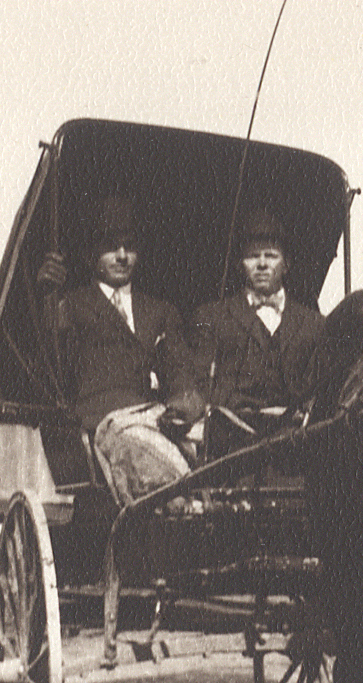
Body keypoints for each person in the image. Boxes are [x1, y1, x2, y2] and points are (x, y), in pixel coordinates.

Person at [36, 197, 205, 505]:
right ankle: (177, 501)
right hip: (100, 421)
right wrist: (49, 297)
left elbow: (178, 366)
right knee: (143, 451)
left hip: (155, 419)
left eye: (130, 247)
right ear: (90, 255)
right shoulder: (71, 305)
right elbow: (51, 362)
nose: (122, 256)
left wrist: (184, 404)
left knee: (204, 450)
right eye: (111, 247)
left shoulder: (159, 311)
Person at [189, 209, 325, 454]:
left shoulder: (314, 324)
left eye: (271, 256)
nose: (262, 264)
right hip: (230, 439)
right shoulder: (211, 316)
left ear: (286, 265)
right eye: (253, 256)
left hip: (293, 441)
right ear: (240, 265)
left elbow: (320, 388)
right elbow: (200, 382)